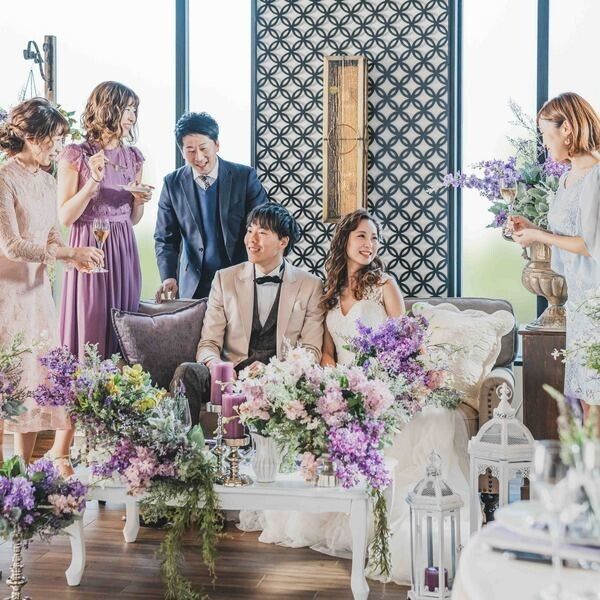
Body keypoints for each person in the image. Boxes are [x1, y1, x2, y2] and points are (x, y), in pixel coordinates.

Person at [238, 209, 470, 586]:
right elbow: (328, 353)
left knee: (422, 426)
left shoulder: (385, 286)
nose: (369, 244)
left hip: (383, 388)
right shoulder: (329, 292)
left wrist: (392, 381)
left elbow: (408, 344)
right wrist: (337, 387)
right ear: (344, 239)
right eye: (362, 236)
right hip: (346, 391)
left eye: (374, 238)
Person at [0, 98, 103, 473]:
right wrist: (67, 253)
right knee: (7, 382)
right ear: (30, 137)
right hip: (7, 294)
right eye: (54, 139)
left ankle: (22, 473)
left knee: (32, 382)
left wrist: (74, 257)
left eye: (61, 139)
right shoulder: (4, 179)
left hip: (38, 293)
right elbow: (12, 246)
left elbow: (50, 237)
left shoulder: (46, 181)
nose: (59, 147)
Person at [172, 203, 324, 424]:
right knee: (187, 372)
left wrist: (275, 371)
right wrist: (217, 366)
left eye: (262, 233)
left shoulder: (310, 285)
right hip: (229, 378)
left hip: (279, 380)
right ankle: (182, 442)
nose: (251, 239)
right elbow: (208, 344)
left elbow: (311, 350)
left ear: (283, 242)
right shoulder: (225, 279)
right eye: (250, 230)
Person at [510, 92, 600, 409]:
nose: (545, 143)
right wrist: (533, 229)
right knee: (587, 399)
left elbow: (589, 244)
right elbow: (567, 235)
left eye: (546, 134)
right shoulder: (567, 178)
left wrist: (540, 236)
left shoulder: (596, 175)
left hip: (597, 300)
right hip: (580, 301)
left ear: (567, 129)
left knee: (596, 398)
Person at [58, 81, 151, 361]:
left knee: (125, 320)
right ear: (108, 109)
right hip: (89, 245)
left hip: (124, 248)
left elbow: (133, 219)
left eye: (134, 110)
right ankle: (86, 384)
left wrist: (139, 200)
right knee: (92, 320)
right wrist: (92, 182)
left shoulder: (133, 157)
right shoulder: (77, 154)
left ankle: (124, 386)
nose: (133, 116)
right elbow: (66, 216)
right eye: (127, 109)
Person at [154, 112, 268, 301]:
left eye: (203, 148)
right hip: (193, 286)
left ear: (217, 145)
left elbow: (264, 227)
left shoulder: (244, 177)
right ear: (182, 151)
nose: (198, 157)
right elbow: (165, 238)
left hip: (239, 279)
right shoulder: (172, 184)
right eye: (190, 150)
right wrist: (168, 276)